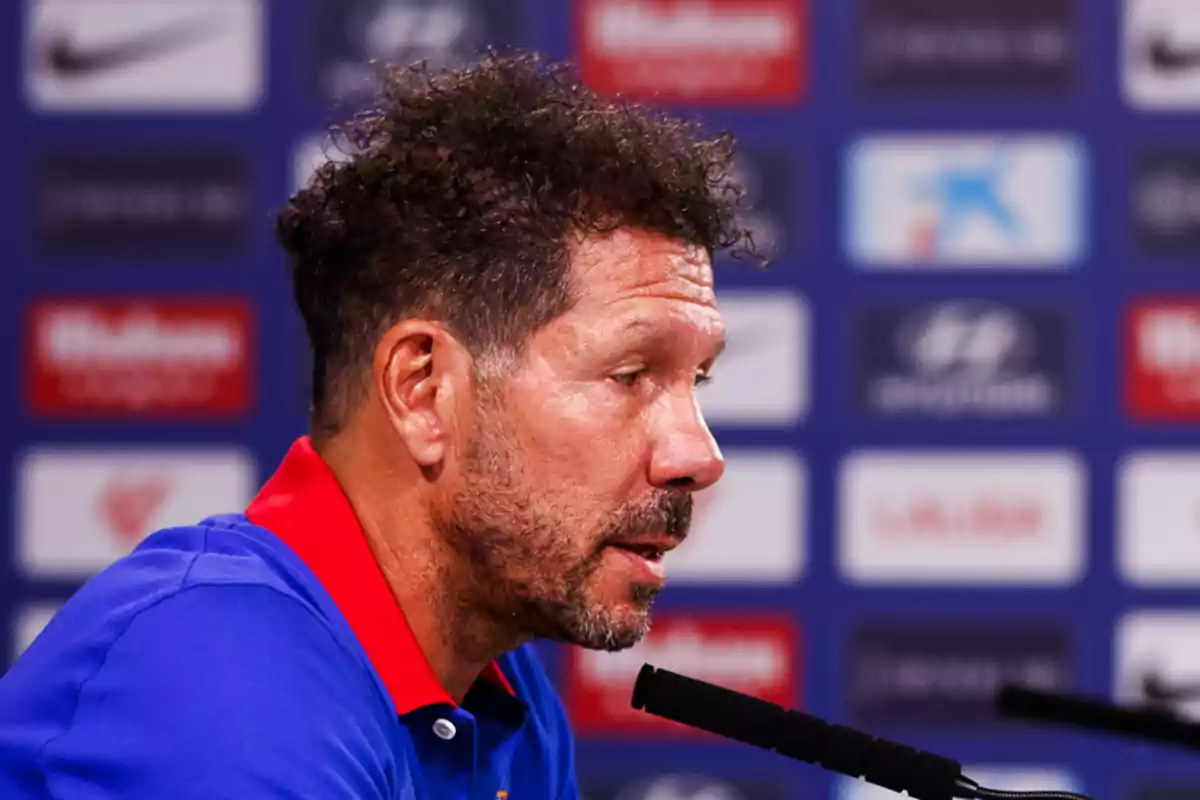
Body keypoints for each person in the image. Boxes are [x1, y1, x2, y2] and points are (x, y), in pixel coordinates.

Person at [0, 52, 755, 798]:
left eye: (698, 380)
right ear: (423, 390)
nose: (699, 454)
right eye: (630, 376)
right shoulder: (221, 694)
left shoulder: (498, 684)